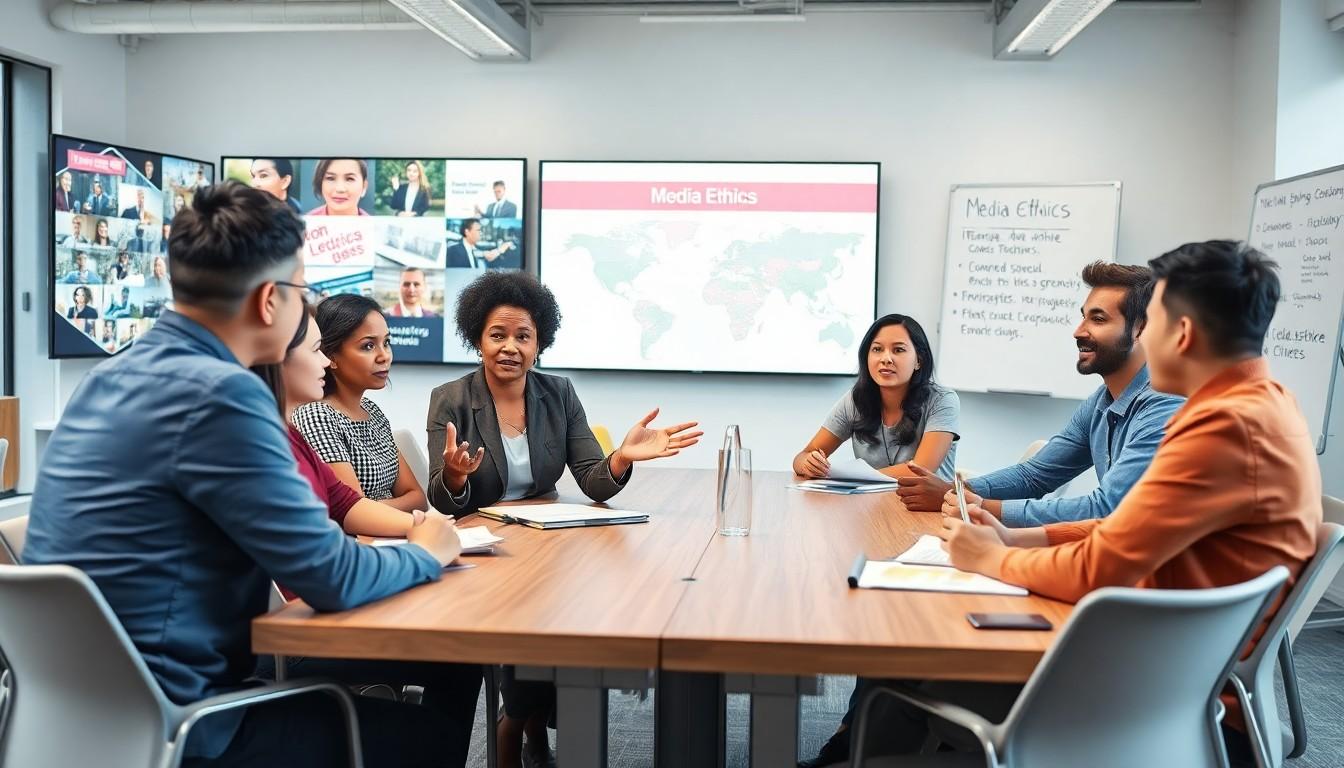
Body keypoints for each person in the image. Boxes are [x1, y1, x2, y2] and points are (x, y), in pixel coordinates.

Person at [23, 180, 468, 768]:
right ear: (268, 302)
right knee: (430, 734)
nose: (306, 311)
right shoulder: (222, 395)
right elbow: (330, 577)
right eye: (302, 292)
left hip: (72, 725)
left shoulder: (107, 378)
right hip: (185, 727)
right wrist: (428, 552)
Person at [926, 240, 1321, 768]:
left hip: (1158, 698)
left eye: (1151, 322)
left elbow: (1101, 565)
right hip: (1169, 673)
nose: (1144, 339)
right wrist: (1020, 537)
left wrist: (992, 558)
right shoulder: (1262, 403)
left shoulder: (1223, 427)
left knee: (925, 674)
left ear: (1181, 333)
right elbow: (1129, 529)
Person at [425, 270, 702, 768]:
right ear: (477, 339)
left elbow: (593, 480)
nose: (510, 347)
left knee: (569, 609)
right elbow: (444, 500)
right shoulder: (451, 398)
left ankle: (527, 722)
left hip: (545, 539)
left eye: (523, 336)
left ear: (539, 344)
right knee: (530, 615)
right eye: (497, 335)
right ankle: (515, 726)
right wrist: (455, 476)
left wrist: (622, 457)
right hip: (483, 545)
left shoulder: (558, 393)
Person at [894, 262, 1184, 522]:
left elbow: (1107, 508)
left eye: (1098, 319)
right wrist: (953, 491)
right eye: (1083, 317)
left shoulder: (1166, 406)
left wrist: (978, 506)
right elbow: (1035, 475)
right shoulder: (1102, 401)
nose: (1078, 331)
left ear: (1141, 329)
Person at [292, 295, 428, 512]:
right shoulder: (317, 415)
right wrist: (379, 508)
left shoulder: (372, 411)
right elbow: (353, 510)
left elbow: (419, 498)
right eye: (368, 346)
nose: (384, 356)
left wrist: (375, 507)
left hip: (399, 527)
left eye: (386, 343)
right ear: (331, 356)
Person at [792, 314, 959, 483]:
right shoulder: (856, 400)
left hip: (929, 501)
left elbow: (921, 471)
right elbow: (802, 457)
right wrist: (808, 463)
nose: (886, 359)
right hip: (872, 499)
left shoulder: (942, 400)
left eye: (898, 350)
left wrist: (852, 476)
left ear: (919, 361)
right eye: (877, 349)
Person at [445, 218, 514, 268]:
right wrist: (501, 249)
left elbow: (489, 256)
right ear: (467, 232)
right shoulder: (453, 249)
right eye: (478, 230)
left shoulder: (474, 248)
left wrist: (502, 248)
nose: (481, 233)